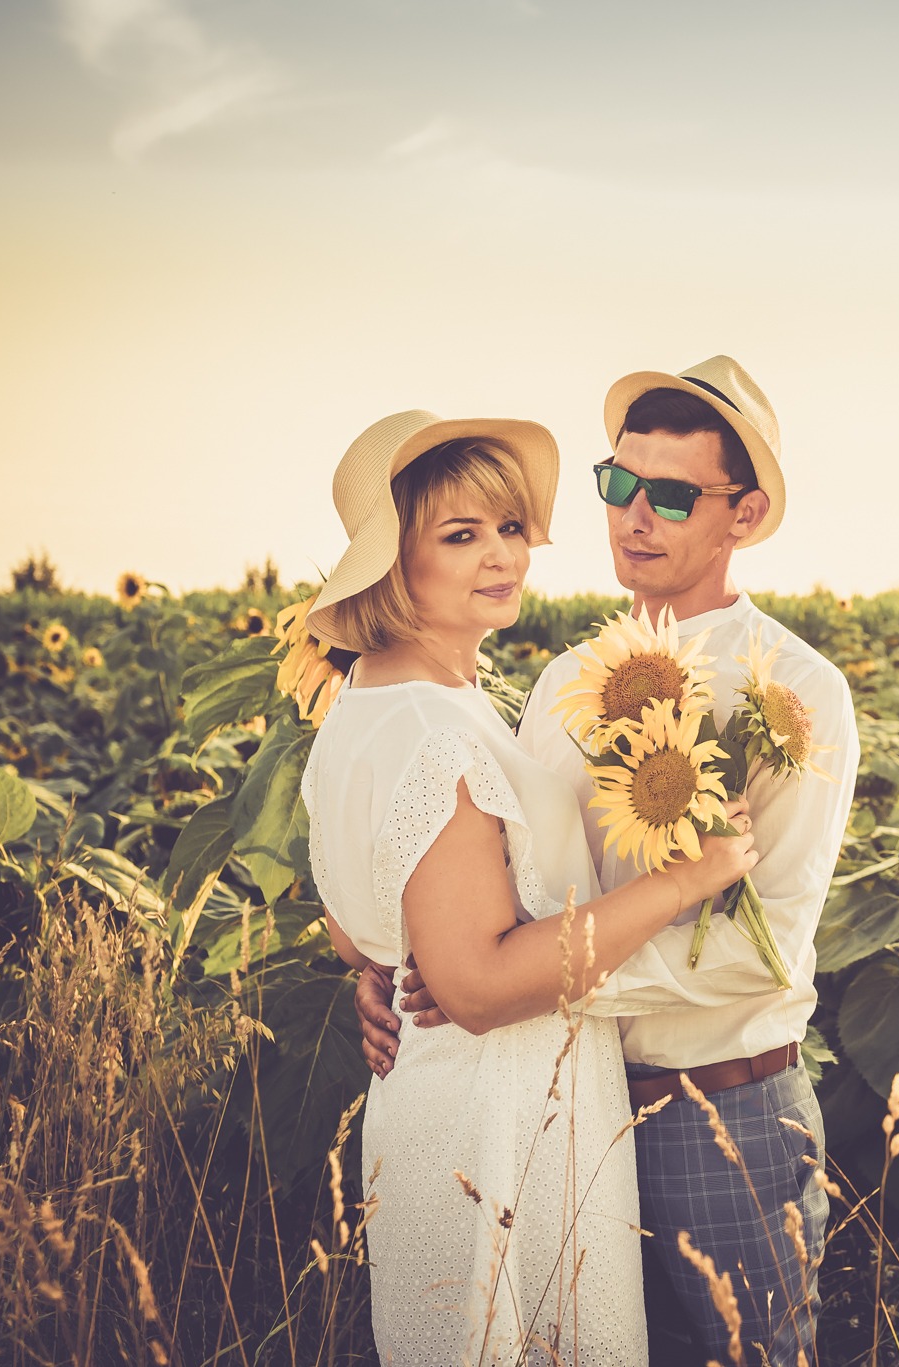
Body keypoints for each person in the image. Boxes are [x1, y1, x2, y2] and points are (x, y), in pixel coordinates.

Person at [356, 359, 859, 1365]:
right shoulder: (560, 682)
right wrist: (398, 961)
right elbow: (500, 877)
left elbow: (764, 949)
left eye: (671, 494)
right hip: (562, 1108)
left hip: (719, 1105)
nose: (634, 514)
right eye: (617, 482)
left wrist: (513, 984)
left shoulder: (797, 693)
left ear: (745, 513)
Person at [302, 410, 758, 1365]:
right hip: (498, 1123)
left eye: (510, 528)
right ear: (394, 564)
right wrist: (685, 880)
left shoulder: (371, 705)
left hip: (446, 1106)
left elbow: (361, 929)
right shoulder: (437, 732)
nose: (502, 556)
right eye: (460, 536)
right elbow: (474, 987)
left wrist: (383, 965)